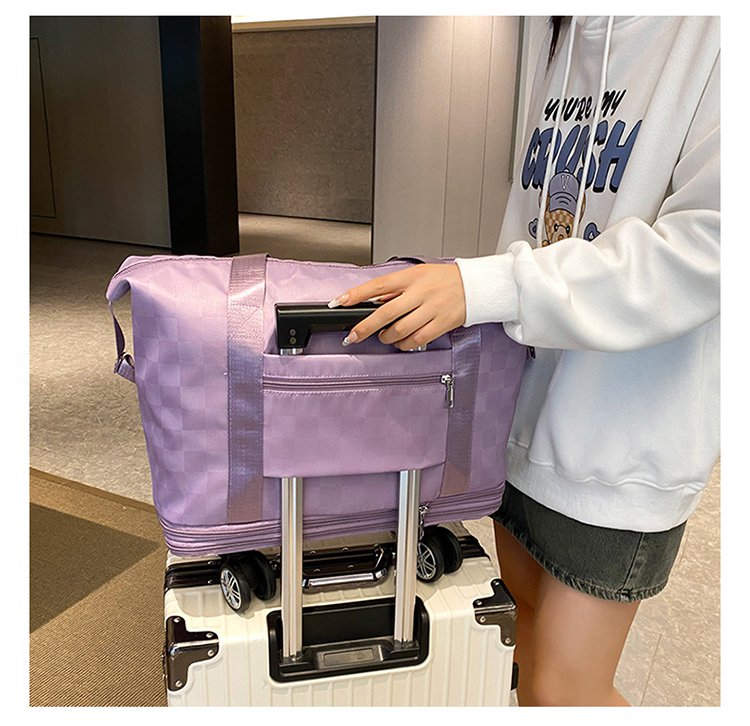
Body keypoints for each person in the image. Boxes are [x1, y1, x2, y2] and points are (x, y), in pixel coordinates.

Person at [328, 16, 720, 706]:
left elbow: (709, 251)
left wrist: (485, 287)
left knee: (565, 688)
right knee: (525, 648)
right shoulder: (561, 30)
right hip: (521, 417)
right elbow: (537, 222)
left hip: (623, 440)